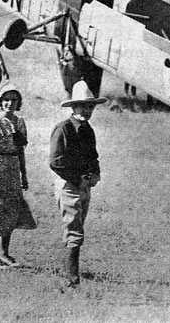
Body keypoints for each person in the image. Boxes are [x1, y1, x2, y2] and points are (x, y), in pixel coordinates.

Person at [49, 80, 107, 288]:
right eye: (82, 105)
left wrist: (95, 174)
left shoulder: (88, 129)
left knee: (77, 227)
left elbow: (93, 156)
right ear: (73, 107)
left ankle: (69, 270)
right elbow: (55, 162)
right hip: (69, 185)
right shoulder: (63, 129)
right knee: (75, 232)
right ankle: (72, 280)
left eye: (90, 106)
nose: (86, 110)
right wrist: (77, 179)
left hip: (85, 186)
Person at [0, 84, 36, 270]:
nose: (10, 103)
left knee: (12, 211)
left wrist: (24, 174)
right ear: (0, 102)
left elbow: (20, 150)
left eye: (14, 100)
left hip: (14, 170)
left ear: (19, 102)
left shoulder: (20, 122)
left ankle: (5, 253)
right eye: (6, 99)